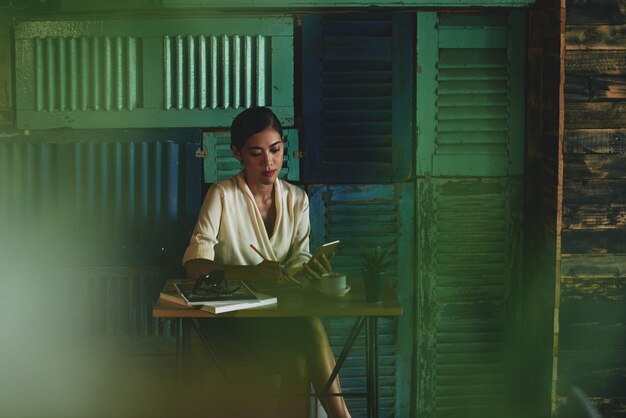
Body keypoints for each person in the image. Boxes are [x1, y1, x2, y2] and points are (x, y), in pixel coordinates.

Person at [182, 106, 352, 418]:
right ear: (237, 154)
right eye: (256, 153)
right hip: (234, 321)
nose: (269, 162)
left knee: (307, 339)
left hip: (280, 316)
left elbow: (299, 256)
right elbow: (194, 265)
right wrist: (251, 274)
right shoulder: (222, 195)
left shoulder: (296, 199)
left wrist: (310, 269)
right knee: (304, 343)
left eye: (275, 150)